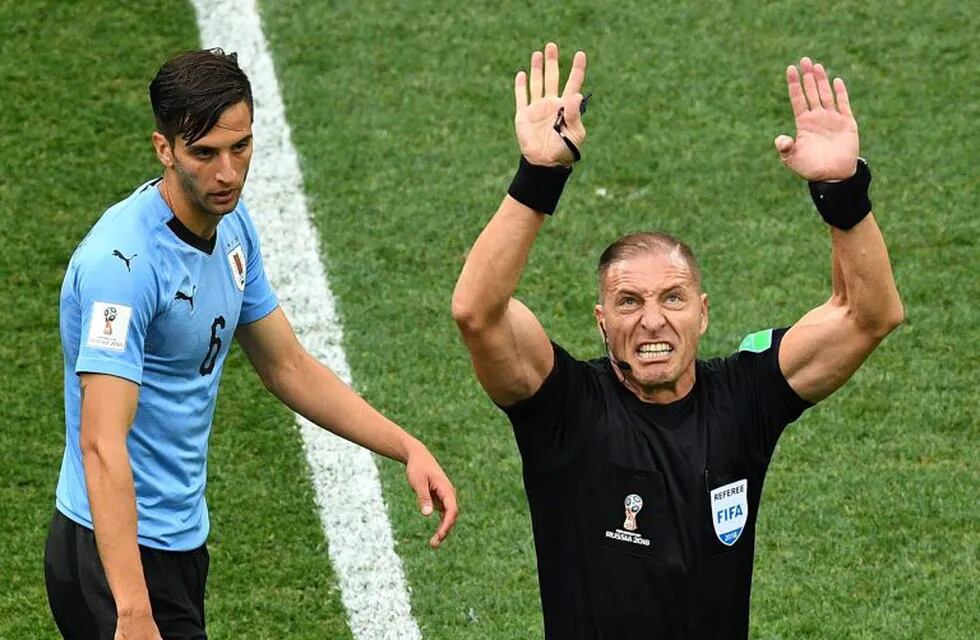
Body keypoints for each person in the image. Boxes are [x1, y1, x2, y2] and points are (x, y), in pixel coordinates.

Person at [452, 43, 903, 639]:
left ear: (703, 313)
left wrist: (841, 189)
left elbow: (869, 315)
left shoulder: (745, 399)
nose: (652, 321)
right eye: (629, 302)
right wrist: (540, 175)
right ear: (601, 320)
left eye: (672, 298)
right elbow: (477, 313)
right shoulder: (564, 409)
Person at [44, 49, 458, 640]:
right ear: (164, 150)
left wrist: (405, 447)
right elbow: (102, 443)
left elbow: (286, 364)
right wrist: (133, 609)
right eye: (205, 153)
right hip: (112, 558)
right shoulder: (123, 268)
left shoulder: (232, 227)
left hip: (177, 544)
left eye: (240, 147)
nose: (228, 173)